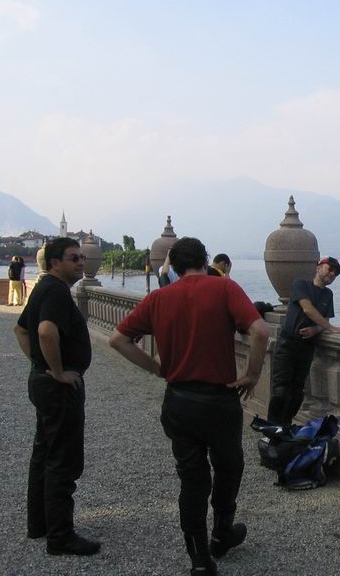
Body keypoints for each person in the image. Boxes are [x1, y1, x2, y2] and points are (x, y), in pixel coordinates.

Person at [109, 237, 269, 576]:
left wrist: (156, 368)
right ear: (205, 259)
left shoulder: (159, 298)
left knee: (192, 479)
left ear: (176, 265)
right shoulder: (224, 288)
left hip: (180, 401)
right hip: (220, 401)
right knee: (229, 467)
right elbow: (259, 330)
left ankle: (199, 558)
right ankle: (221, 533)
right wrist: (252, 374)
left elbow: (118, 339)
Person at [12, 237, 100, 556]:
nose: (81, 262)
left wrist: (39, 364)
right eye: (73, 258)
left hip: (43, 383)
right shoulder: (56, 292)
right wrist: (58, 371)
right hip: (59, 389)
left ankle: (40, 524)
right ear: (54, 263)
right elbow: (44, 331)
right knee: (63, 460)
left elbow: (20, 330)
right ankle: (60, 536)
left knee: (44, 453)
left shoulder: (44, 287)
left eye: (82, 257)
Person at [266, 257, 340, 426]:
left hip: (306, 347)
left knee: (297, 392)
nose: (332, 274)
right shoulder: (301, 285)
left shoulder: (328, 294)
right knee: (280, 390)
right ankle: (271, 427)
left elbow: (325, 317)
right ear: (318, 267)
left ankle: (285, 426)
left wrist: (316, 329)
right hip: (287, 344)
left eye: (335, 273)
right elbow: (307, 309)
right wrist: (331, 328)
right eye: (330, 269)